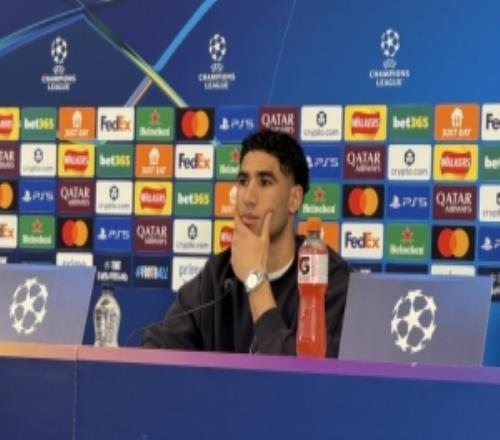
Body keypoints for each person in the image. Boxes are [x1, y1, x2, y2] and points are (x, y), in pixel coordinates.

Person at [142, 129, 350, 356]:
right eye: (243, 181)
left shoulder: (329, 280)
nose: (248, 198)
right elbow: (156, 349)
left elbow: (305, 376)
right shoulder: (218, 274)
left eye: (265, 182)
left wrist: (256, 283)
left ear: (294, 199)